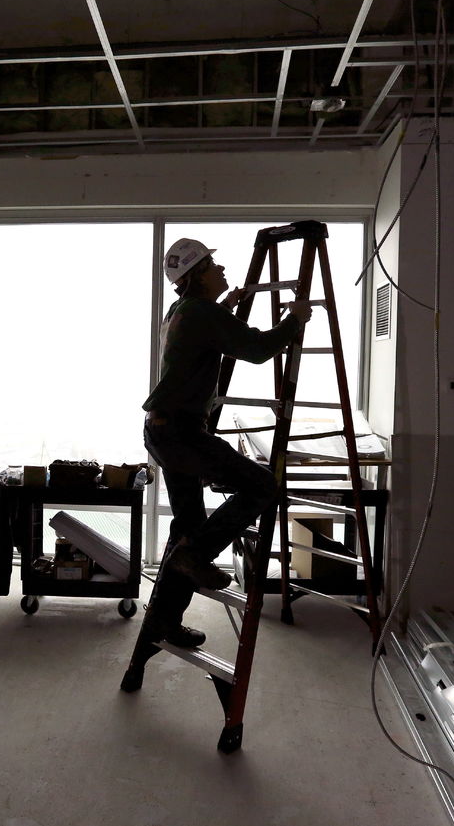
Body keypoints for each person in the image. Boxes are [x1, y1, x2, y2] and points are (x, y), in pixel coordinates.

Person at [139, 237, 311, 649]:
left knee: (188, 529)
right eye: (212, 266)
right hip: (181, 433)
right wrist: (295, 320)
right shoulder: (199, 312)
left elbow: (199, 333)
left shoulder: (182, 310)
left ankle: (165, 621)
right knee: (262, 486)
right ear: (197, 276)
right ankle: (194, 557)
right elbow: (256, 349)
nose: (221, 270)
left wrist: (225, 307)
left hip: (164, 430)